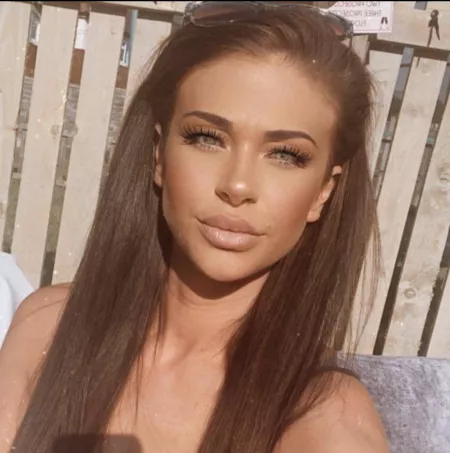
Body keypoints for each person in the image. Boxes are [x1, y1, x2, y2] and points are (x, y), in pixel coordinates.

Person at [0, 2, 389, 452]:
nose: (237, 186)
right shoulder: (47, 325)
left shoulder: (326, 418)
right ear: (159, 154)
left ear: (323, 191)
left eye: (286, 155)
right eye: (207, 138)